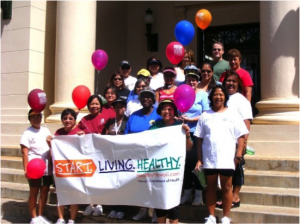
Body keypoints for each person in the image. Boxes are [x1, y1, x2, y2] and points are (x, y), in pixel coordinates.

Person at [194, 85, 248, 224]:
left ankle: (225, 217)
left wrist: (238, 154)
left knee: (226, 187)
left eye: (221, 94)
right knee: (210, 187)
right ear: (211, 97)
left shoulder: (233, 114)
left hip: (226, 158)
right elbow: (199, 139)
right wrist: (199, 159)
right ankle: (211, 216)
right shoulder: (205, 115)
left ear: (225, 97)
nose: (218, 97)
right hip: (209, 158)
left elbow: (241, 136)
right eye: (215, 94)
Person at [150, 99, 193, 224]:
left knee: (174, 205)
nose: (167, 111)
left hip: (174, 172)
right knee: (160, 204)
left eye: (169, 109)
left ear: (174, 111)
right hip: (158, 172)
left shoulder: (179, 127)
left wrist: (187, 135)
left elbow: (189, 147)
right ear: (160, 111)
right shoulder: (155, 127)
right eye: (164, 109)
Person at [124, 87, 161, 222]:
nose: (146, 99)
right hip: (136, 156)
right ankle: (143, 210)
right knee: (140, 185)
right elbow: (126, 135)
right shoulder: (134, 115)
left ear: (153, 99)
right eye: (143, 96)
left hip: (154, 156)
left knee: (155, 183)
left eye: (149, 96)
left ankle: (157, 211)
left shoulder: (159, 115)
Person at [218, 71, 252, 209]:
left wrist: (244, 142)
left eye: (234, 81)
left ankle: (235, 196)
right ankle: (226, 195)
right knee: (226, 169)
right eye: (228, 81)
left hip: (237, 141)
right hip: (223, 140)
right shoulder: (221, 97)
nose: (230, 84)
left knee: (237, 168)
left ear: (238, 84)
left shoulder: (241, 100)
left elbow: (246, 122)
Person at [178, 71, 210, 206]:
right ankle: (186, 193)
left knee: (197, 163)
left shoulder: (203, 95)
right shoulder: (181, 93)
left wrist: (191, 119)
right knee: (185, 164)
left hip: (197, 133)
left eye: (194, 80)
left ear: (197, 81)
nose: (191, 82)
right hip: (183, 132)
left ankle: (198, 194)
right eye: (189, 79)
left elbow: (205, 113)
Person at [47, 109, 81, 224]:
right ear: (62, 120)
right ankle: (61, 218)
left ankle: (72, 219)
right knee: (61, 194)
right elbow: (54, 151)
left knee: (74, 195)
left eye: (70, 118)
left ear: (75, 120)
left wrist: (84, 138)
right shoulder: (58, 133)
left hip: (75, 170)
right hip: (61, 169)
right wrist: (49, 143)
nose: (68, 121)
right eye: (65, 118)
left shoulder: (79, 133)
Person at [78, 95, 109, 216]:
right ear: (88, 106)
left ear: (101, 106)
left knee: (100, 180)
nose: (94, 106)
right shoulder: (84, 120)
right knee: (89, 181)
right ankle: (90, 204)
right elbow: (75, 132)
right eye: (92, 104)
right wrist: (79, 134)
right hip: (88, 155)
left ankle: (99, 205)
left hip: (102, 155)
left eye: (97, 104)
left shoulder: (105, 118)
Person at [20, 110, 53, 224]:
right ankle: (34, 218)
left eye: (38, 116)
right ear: (29, 119)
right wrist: (26, 169)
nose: (36, 119)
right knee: (34, 193)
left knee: (44, 192)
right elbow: (24, 152)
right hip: (34, 167)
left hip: (46, 166)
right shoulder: (27, 133)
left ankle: (40, 216)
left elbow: (50, 145)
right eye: (33, 117)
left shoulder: (45, 130)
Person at [104, 98, 129, 219]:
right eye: (117, 106)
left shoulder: (128, 121)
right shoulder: (109, 122)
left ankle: (121, 209)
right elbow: (103, 137)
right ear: (113, 108)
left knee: (122, 184)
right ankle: (113, 208)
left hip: (124, 158)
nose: (119, 108)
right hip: (111, 158)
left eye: (122, 106)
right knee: (112, 184)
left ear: (125, 108)